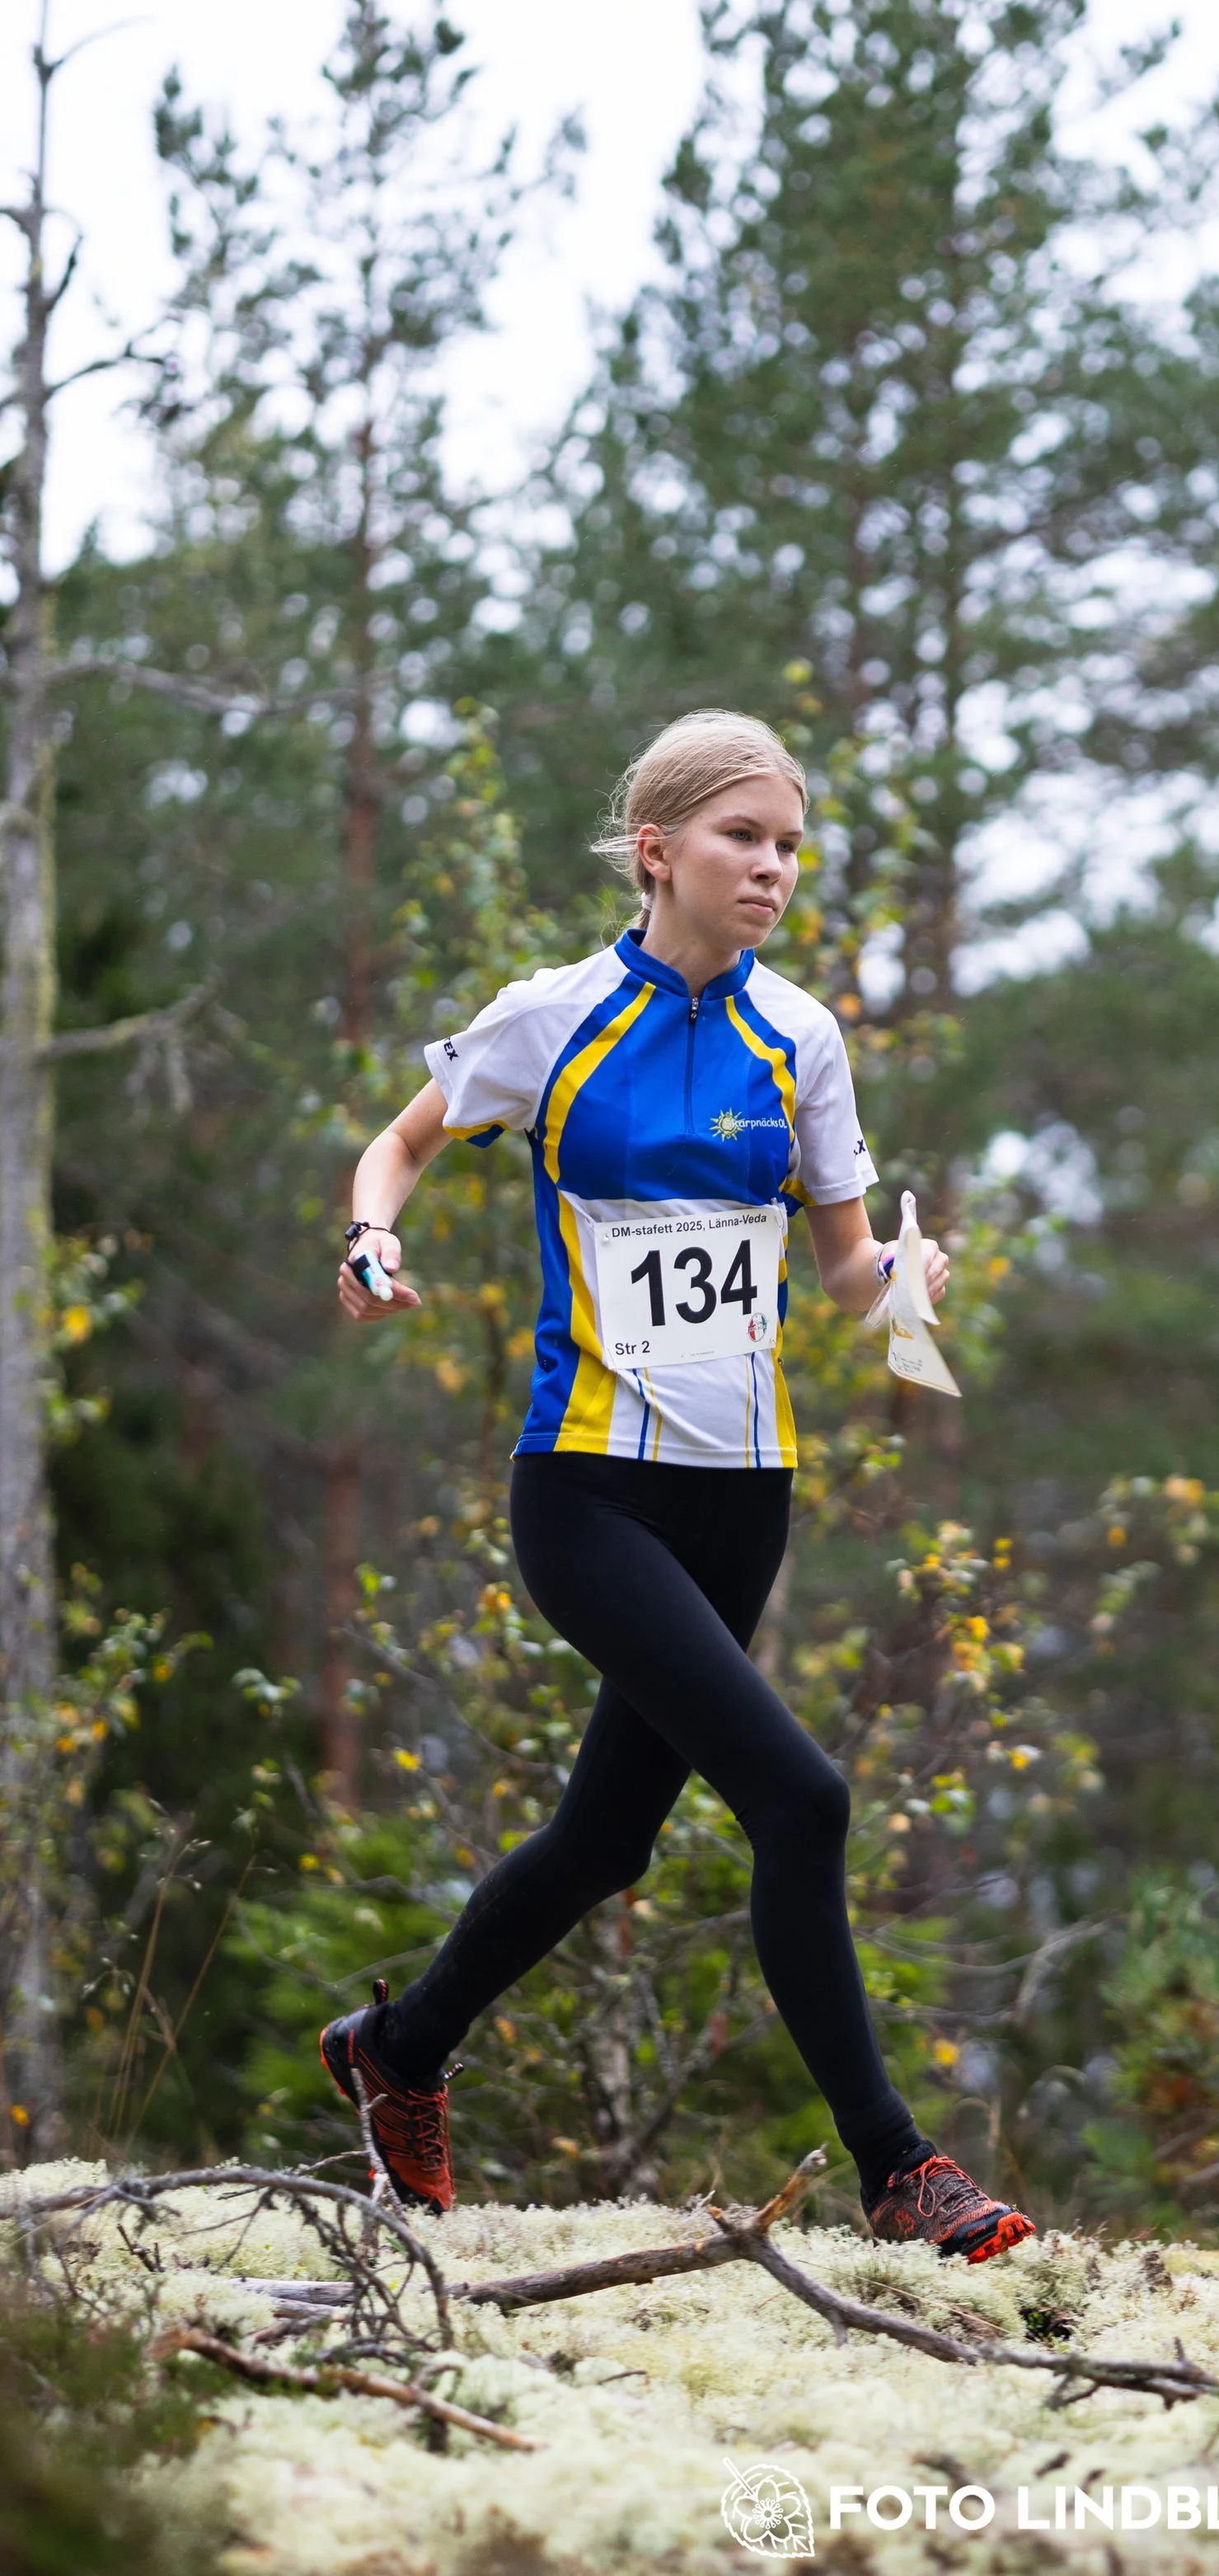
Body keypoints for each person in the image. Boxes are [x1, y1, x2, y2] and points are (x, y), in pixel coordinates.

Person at [316, 709, 1034, 2264]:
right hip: (589, 1491)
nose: (773, 870)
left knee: (608, 1843)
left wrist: (906, 1272)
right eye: (742, 840)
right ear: (657, 850)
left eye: (788, 847)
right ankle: (899, 2170)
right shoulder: (553, 1017)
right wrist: (375, 1236)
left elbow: (843, 1273)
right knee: (803, 1796)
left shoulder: (804, 1039)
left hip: (741, 1494)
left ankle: (397, 2055)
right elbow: (399, 1145)